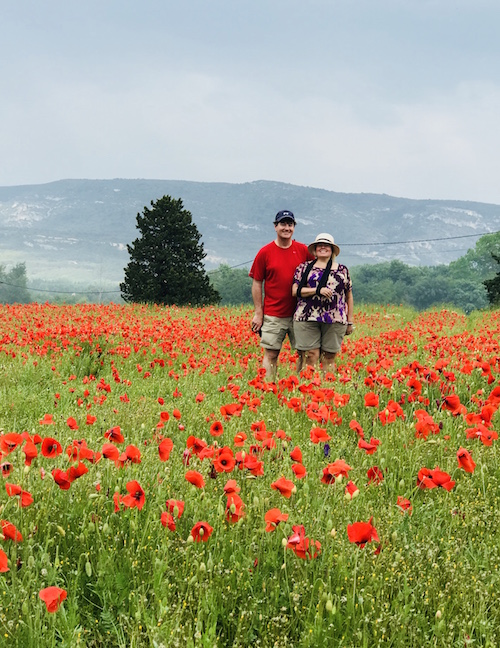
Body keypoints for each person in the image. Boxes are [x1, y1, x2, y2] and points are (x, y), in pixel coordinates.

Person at [249, 210, 313, 379]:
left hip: (300, 313)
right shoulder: (265, 252)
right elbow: (257, 282)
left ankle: (302, 389)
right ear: (275, 226)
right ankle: (269, 388)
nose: (287, 228)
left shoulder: (303, 251)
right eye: (283, 224)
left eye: (290, 224)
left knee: (304, 353)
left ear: (294, 228)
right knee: (271, 354)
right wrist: (258, 313)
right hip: (273, 313)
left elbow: (317, 274)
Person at [292, 232, 354, 374]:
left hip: (335, 319)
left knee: (329, 357)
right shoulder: (303, 268)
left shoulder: (342, 270)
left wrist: (350, 321)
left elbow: (349, 296)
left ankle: (327, 389)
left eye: (327, 245)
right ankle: (307, 390)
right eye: (320, 245)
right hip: (306, 318)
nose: (323, 248)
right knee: (310, 356)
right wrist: (317, 290)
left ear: (332, 250)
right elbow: (295, 291)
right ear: (315, 249)